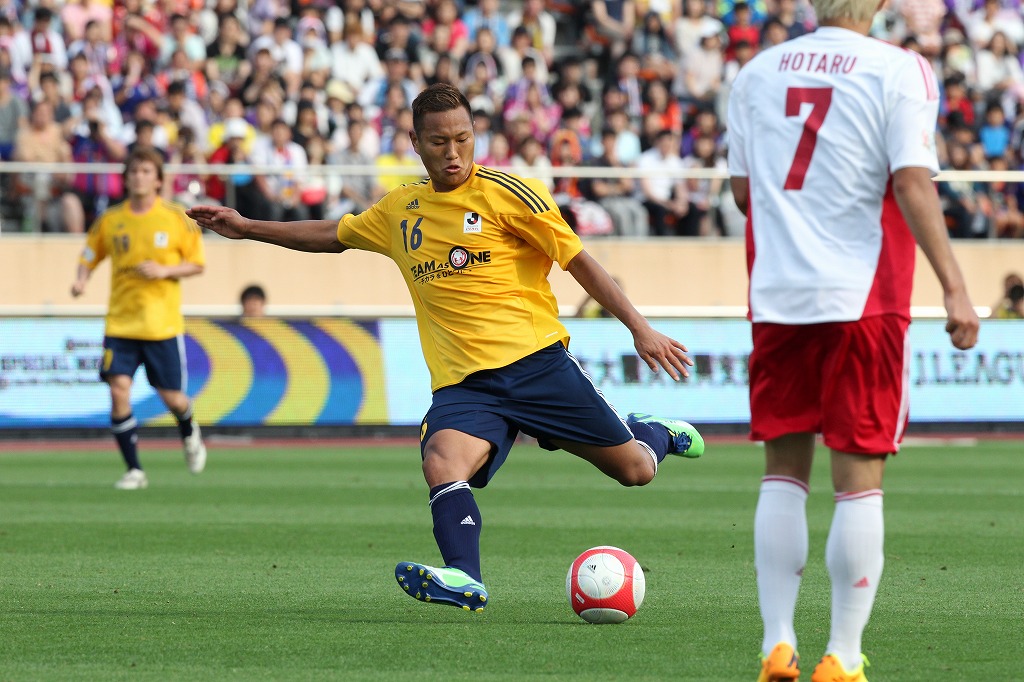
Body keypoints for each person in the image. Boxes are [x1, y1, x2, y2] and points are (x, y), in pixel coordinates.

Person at [188, 82, 705, 612]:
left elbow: (579, 261)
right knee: (441, 460)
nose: (453, 153)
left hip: (536, 367)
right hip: (464, 385)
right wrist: (249, 227)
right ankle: (464, 576)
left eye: (463, 138)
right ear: (415, 141)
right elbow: (330, 233)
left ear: (475, 134)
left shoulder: (512, 194)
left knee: (635, 471)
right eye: (439, 142)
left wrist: (639, 328)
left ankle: (653, 432)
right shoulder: (400, 210)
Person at [727, 0, 981, 680]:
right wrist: (956, 286)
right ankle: (841, 655)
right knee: (857, 479)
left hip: (778, 294)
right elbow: (911, 181)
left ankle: (776, 642)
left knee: (782, 472)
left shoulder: (755, 72)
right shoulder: (900, 70)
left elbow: (743, 193)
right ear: (876, 4)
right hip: (863, 297)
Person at [70, 147, 209, 490]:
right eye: (133, 171)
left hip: (161, 326)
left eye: (146, 171)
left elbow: (196, 264)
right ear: (126, 177)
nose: (139, 177)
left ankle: (188, 426)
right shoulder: (111, 220)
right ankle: (134, 470)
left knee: (172, 398)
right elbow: (90, 253)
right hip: (121, 324)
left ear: (159, 179)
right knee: (119, 390)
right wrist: (81, 278)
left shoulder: (177, 218)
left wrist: (165, 270)